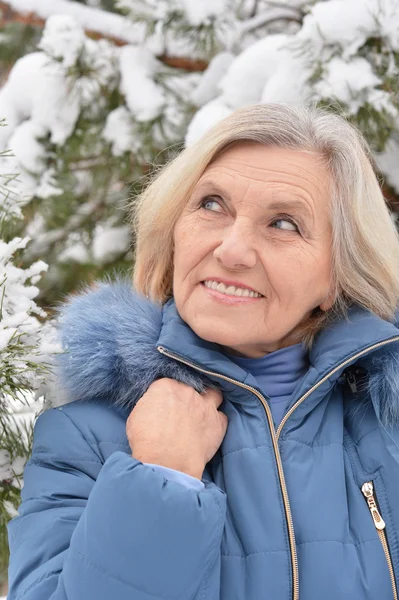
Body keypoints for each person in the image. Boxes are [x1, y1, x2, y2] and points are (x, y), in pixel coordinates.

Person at [6, 103, 399, 600]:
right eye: (212, 205)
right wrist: (158, 479)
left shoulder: (387, 427)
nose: (232, 250)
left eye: (284, 224)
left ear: (337, 276)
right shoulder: (84, 440)